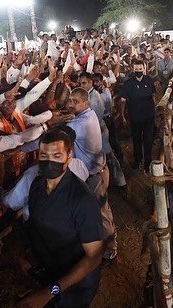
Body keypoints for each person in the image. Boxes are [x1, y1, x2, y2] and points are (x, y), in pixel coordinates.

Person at [15, 128, 103, 308]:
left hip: (74, 288)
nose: (49, 161)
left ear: (69, 156)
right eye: (44, 155)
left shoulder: (82, 200)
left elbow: (94, 258)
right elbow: (36, 222)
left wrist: (49, 292)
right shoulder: (38, 186)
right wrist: (27, 252)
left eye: (57, 155)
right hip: (48, 272)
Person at [66, 88, 117, 261]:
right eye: (69, 100)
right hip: (96, 171)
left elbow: (62, 134)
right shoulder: (88, 115)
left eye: (75, 101)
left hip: (93, 175)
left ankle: (109, 250)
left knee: (101, 212)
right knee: (99, 211)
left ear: (85, 103)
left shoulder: (80, 123)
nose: (71, 104)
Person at [120, 60, 156, 172]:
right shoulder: (128, 83)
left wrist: (154, 109)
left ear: (144, 69)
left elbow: (153, 95)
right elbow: (123, 100)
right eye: (136, 69)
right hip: (134, 117)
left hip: (148, 116)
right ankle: (138, 160)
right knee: (136, 139)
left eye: (140, 69)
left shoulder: (149, 80)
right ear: (133, 69)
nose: (138, 71)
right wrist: (122, 115)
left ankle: (148, 163)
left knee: (148, 140)